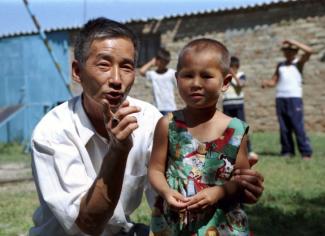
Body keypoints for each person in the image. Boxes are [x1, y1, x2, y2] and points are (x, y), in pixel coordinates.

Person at [30, 18, 264, 236]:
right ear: (77, 72)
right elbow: (88, 225)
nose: (116, 79)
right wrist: (118, 151)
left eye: (126, 67)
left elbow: (172, 196)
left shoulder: (149, 119)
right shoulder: (53, 132)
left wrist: (234, 188)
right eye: (103, 65)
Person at [148, 38, 259, 235]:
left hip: (221, 223)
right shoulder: (168, 125)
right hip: (177, 222)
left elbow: (240, 181)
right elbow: (155, 170)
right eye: (188, 75)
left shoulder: (235, 131)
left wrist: (220, 192)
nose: (196, 84)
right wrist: (166, 192)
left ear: (225, 83)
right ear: (177, 79)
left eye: (206, 76)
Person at [261, 39, 313, 160]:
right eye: (286, 51)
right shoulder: (280, 65)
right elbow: (274, 81)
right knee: (284, 127)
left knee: (297, 125)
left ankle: (306, 152)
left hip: (294, 98)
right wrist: (267, 83)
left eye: (291, 51)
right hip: (280, 98)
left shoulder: (298, 63)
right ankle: (287, 151)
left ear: (295, 52)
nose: (288, 53)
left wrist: (292, 41)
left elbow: (310, 51)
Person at [223, 56, 258, 165]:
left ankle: (249, 150)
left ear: (236, 67)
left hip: (238, 105)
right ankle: (229, 152)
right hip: (227, 105)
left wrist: (233, 75)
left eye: (232, 68)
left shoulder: (241, 75)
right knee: (228, 130)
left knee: (242, 129)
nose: (231, 70)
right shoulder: (225, 77)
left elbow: (240, 84)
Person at [139, 48, 177, 115]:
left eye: (165, 62)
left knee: (171, 125)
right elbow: (142, 71)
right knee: (158, 125)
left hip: (170, 108)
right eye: (160, 61)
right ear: (156, 60)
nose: (163, 63)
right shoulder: (153, 74)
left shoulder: (172, 73)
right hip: (157, 108)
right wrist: (151, 63)